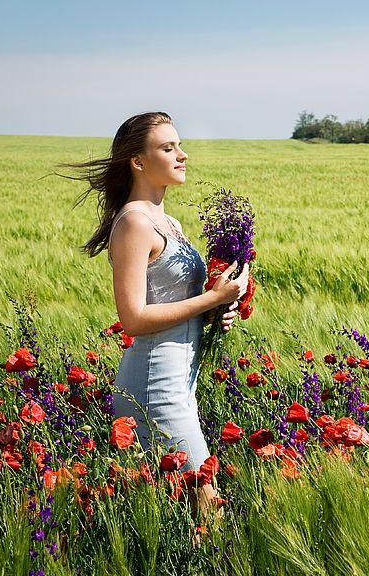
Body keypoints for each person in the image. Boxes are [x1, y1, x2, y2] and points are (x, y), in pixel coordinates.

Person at [68, 111, 249, 511]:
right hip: (154, 383)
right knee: (205, 501)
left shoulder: (170, 222)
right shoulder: (134, 223)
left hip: (181, 379)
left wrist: (218, 312)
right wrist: (213, 299)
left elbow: (172, 302)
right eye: (169, 148)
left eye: (179, 145)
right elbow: (133, 318)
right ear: (138, 162)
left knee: (187, 508)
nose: (182, 155)